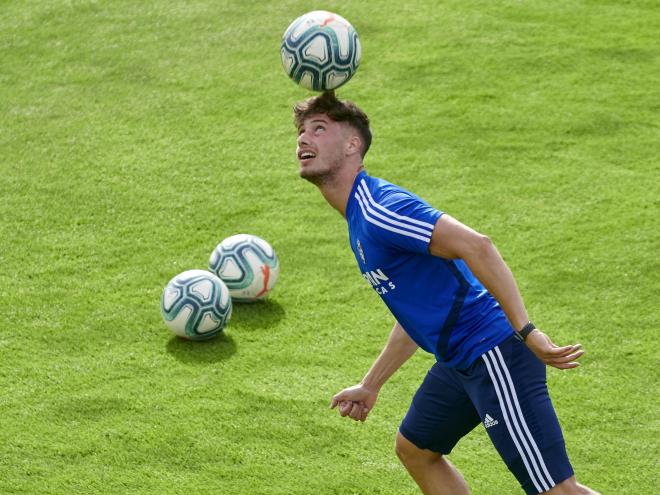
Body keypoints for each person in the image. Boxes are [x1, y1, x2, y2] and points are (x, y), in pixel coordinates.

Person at [292, 91, 600, 495]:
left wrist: (527, 332)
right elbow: (417, 311)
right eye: (300, 131)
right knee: (416, 449)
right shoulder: (358, 218)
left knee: (558, 492)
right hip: (459, 362)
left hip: (494, 354)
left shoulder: (380, 209)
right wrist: (371, 384)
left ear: (353, 145)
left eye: (318, 129)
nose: (302, 139)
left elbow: (479, 246)